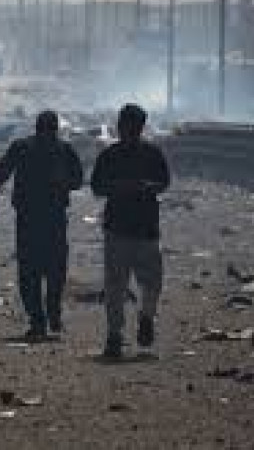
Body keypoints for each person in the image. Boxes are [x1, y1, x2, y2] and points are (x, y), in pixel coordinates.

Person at [0, 111, 83, 339]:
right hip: (35, 219)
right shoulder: (30, 148)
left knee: (48, 271)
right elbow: (4, 168)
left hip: (47, 219)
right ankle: (41, 319)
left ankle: (50, 315)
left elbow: (77, 179)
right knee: (36, 272)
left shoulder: (61, 150)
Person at [90, 103, 170, 358]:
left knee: (148, 283)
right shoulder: (111, 155)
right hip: (123, 228)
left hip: (141, 228)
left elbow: (163, 183)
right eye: (127, 126)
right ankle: (116, 335)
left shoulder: (151, 154)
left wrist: (145, 187)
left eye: (133, 127)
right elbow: (97, 187)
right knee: (119, 286)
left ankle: (144, 318)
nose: (129, 131)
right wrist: (120, 187)